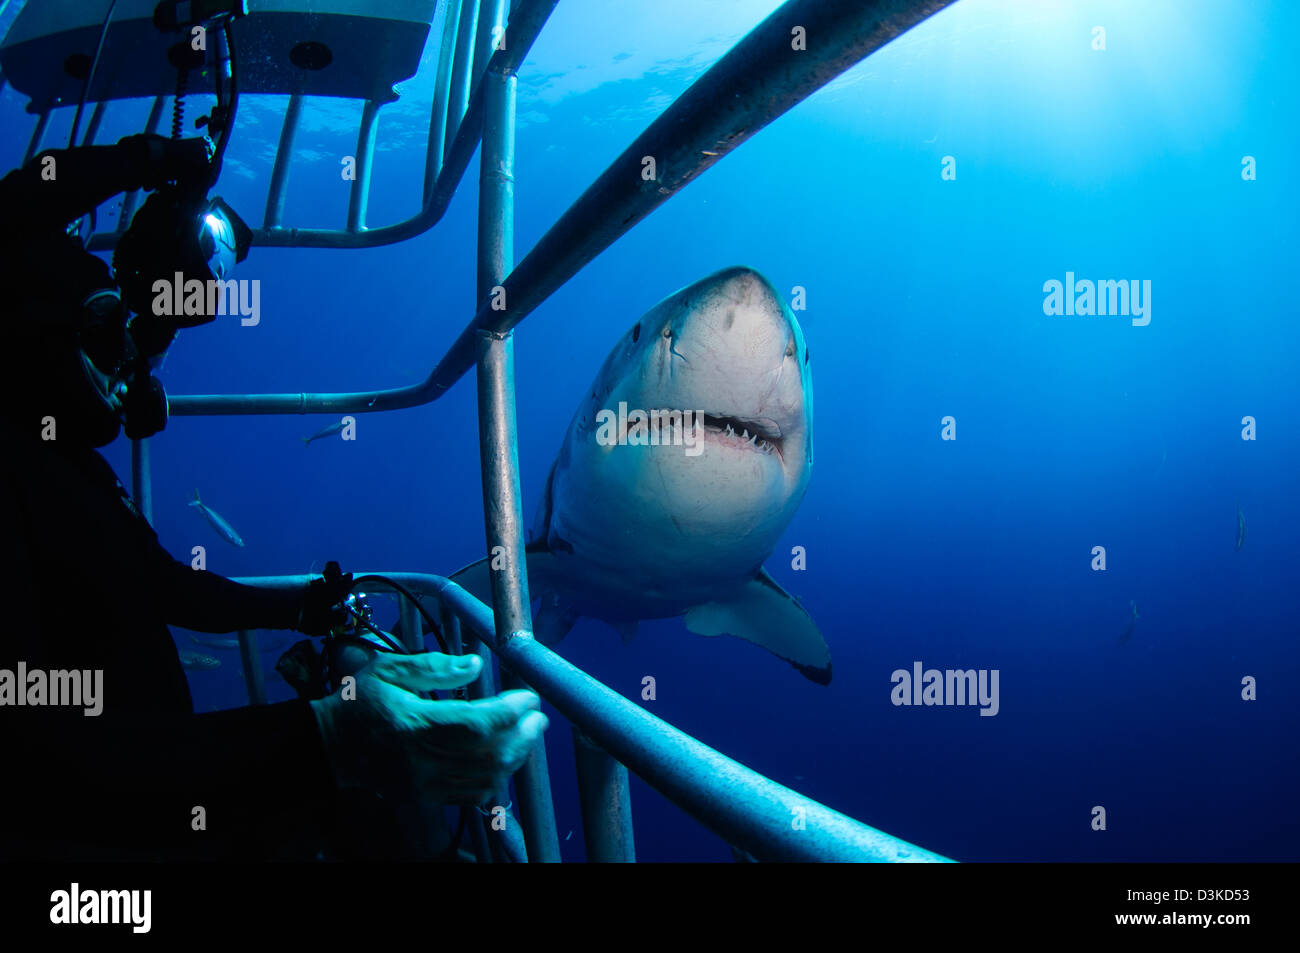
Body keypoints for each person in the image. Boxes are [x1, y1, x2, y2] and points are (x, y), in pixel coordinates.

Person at [0, 135, 546, 860]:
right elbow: (37, 760)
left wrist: (297, 608)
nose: (127, 364)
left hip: (164, 808)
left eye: (136, 344)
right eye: (103, 330)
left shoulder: (77, 473)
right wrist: (329, 740)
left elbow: (173, 591)